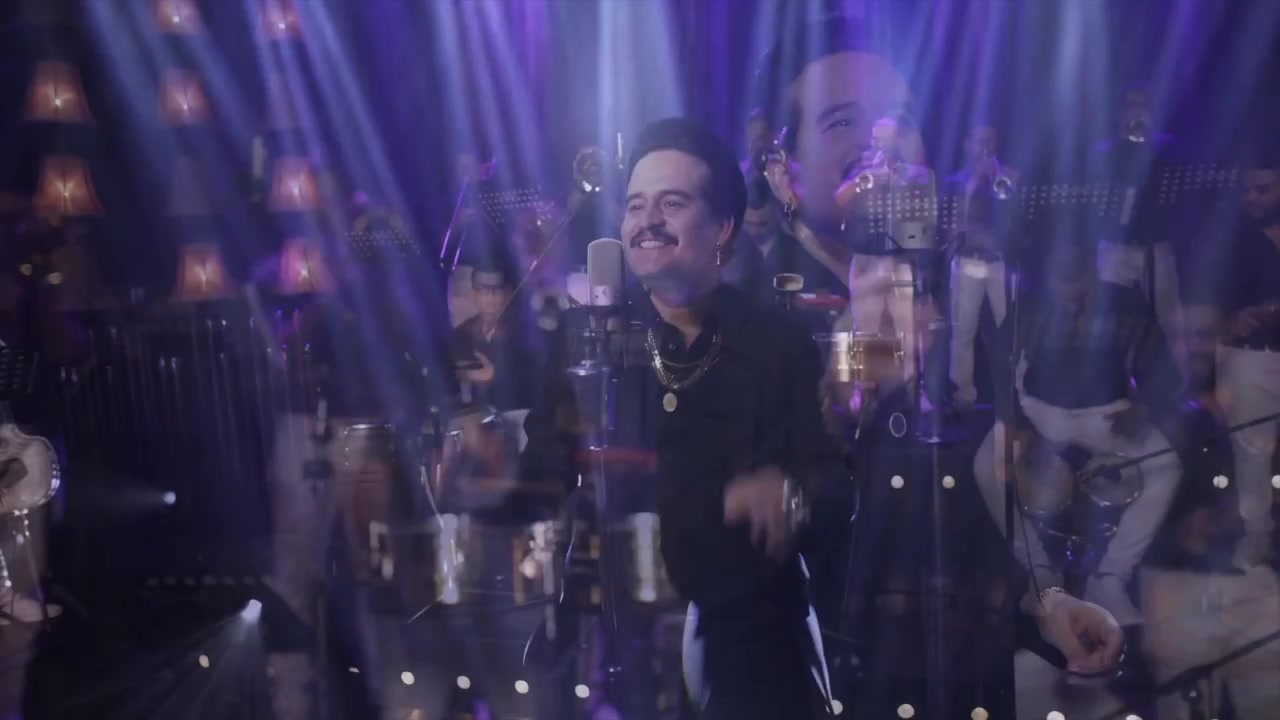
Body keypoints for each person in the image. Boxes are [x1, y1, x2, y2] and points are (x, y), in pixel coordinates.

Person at [753, 12, 1125, 694]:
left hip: (959, 673)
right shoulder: (747, 311)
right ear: (783, 174)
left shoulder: (961, 290)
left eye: (897, 120)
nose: (879, 142)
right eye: (842, 121)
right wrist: (853, 373)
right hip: (821, 677)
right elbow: (768, 511)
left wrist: (1041, 601)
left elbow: (978, 484)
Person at [520, 117, 850, 719]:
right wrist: (490, 480)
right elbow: (541, 475)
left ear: (722, 228)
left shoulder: (776, 344)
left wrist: (788, 495)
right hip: (612, 646)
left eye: (671, 203)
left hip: (746, 648)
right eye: (635, 205)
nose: (647, 220)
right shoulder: (584, 341)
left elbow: (830, 485)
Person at [975, 239, 1184, 628]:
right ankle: (1042, 576)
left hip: (1106, 414)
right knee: (986, 466)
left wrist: (1145, 406)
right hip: (1039, 411)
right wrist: (1014, 420)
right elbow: (998, 367)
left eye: (1079, 282)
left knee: (1166, 467)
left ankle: (1110, 578)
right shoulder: (1029, 306)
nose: (1071, 294)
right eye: (1062, 283)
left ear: (1093, 270)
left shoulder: (1127, 304)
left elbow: (1166, 372)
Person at [1215, 153, 1280, 570]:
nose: (1252, 198)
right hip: (1248, 356)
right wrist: (1230, 321)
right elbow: (1202, 308)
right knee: (1252, 453)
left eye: (1263, 189)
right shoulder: (1229, 240)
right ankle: (1258, 538)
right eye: (1246, 190)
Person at [1090, 85, 1184, 359]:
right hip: (1115, 246)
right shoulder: (1104, 151)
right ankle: (1115, 374)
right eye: (1130, 104)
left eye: (1142, 104)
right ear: (1121, 111)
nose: (1136, 110)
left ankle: (1178, 375)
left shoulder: (1165, 147)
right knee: (1111, 317)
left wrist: (1149, 141)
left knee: (1168, 316)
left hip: (1156, 245)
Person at [946, 122, 1021, 409]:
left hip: (1001, 263)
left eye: (990, 141)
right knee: (963, 332)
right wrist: (976, 182)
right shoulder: (957, 181)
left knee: (1011, 330)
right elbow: (953, 224)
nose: (985, 147)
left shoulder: (1011, 177)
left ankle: (1018, 388)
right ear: (968, 145)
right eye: (979, 141)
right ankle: (963, 393)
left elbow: (1018, 218)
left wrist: (996, 179)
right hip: (968, 261)